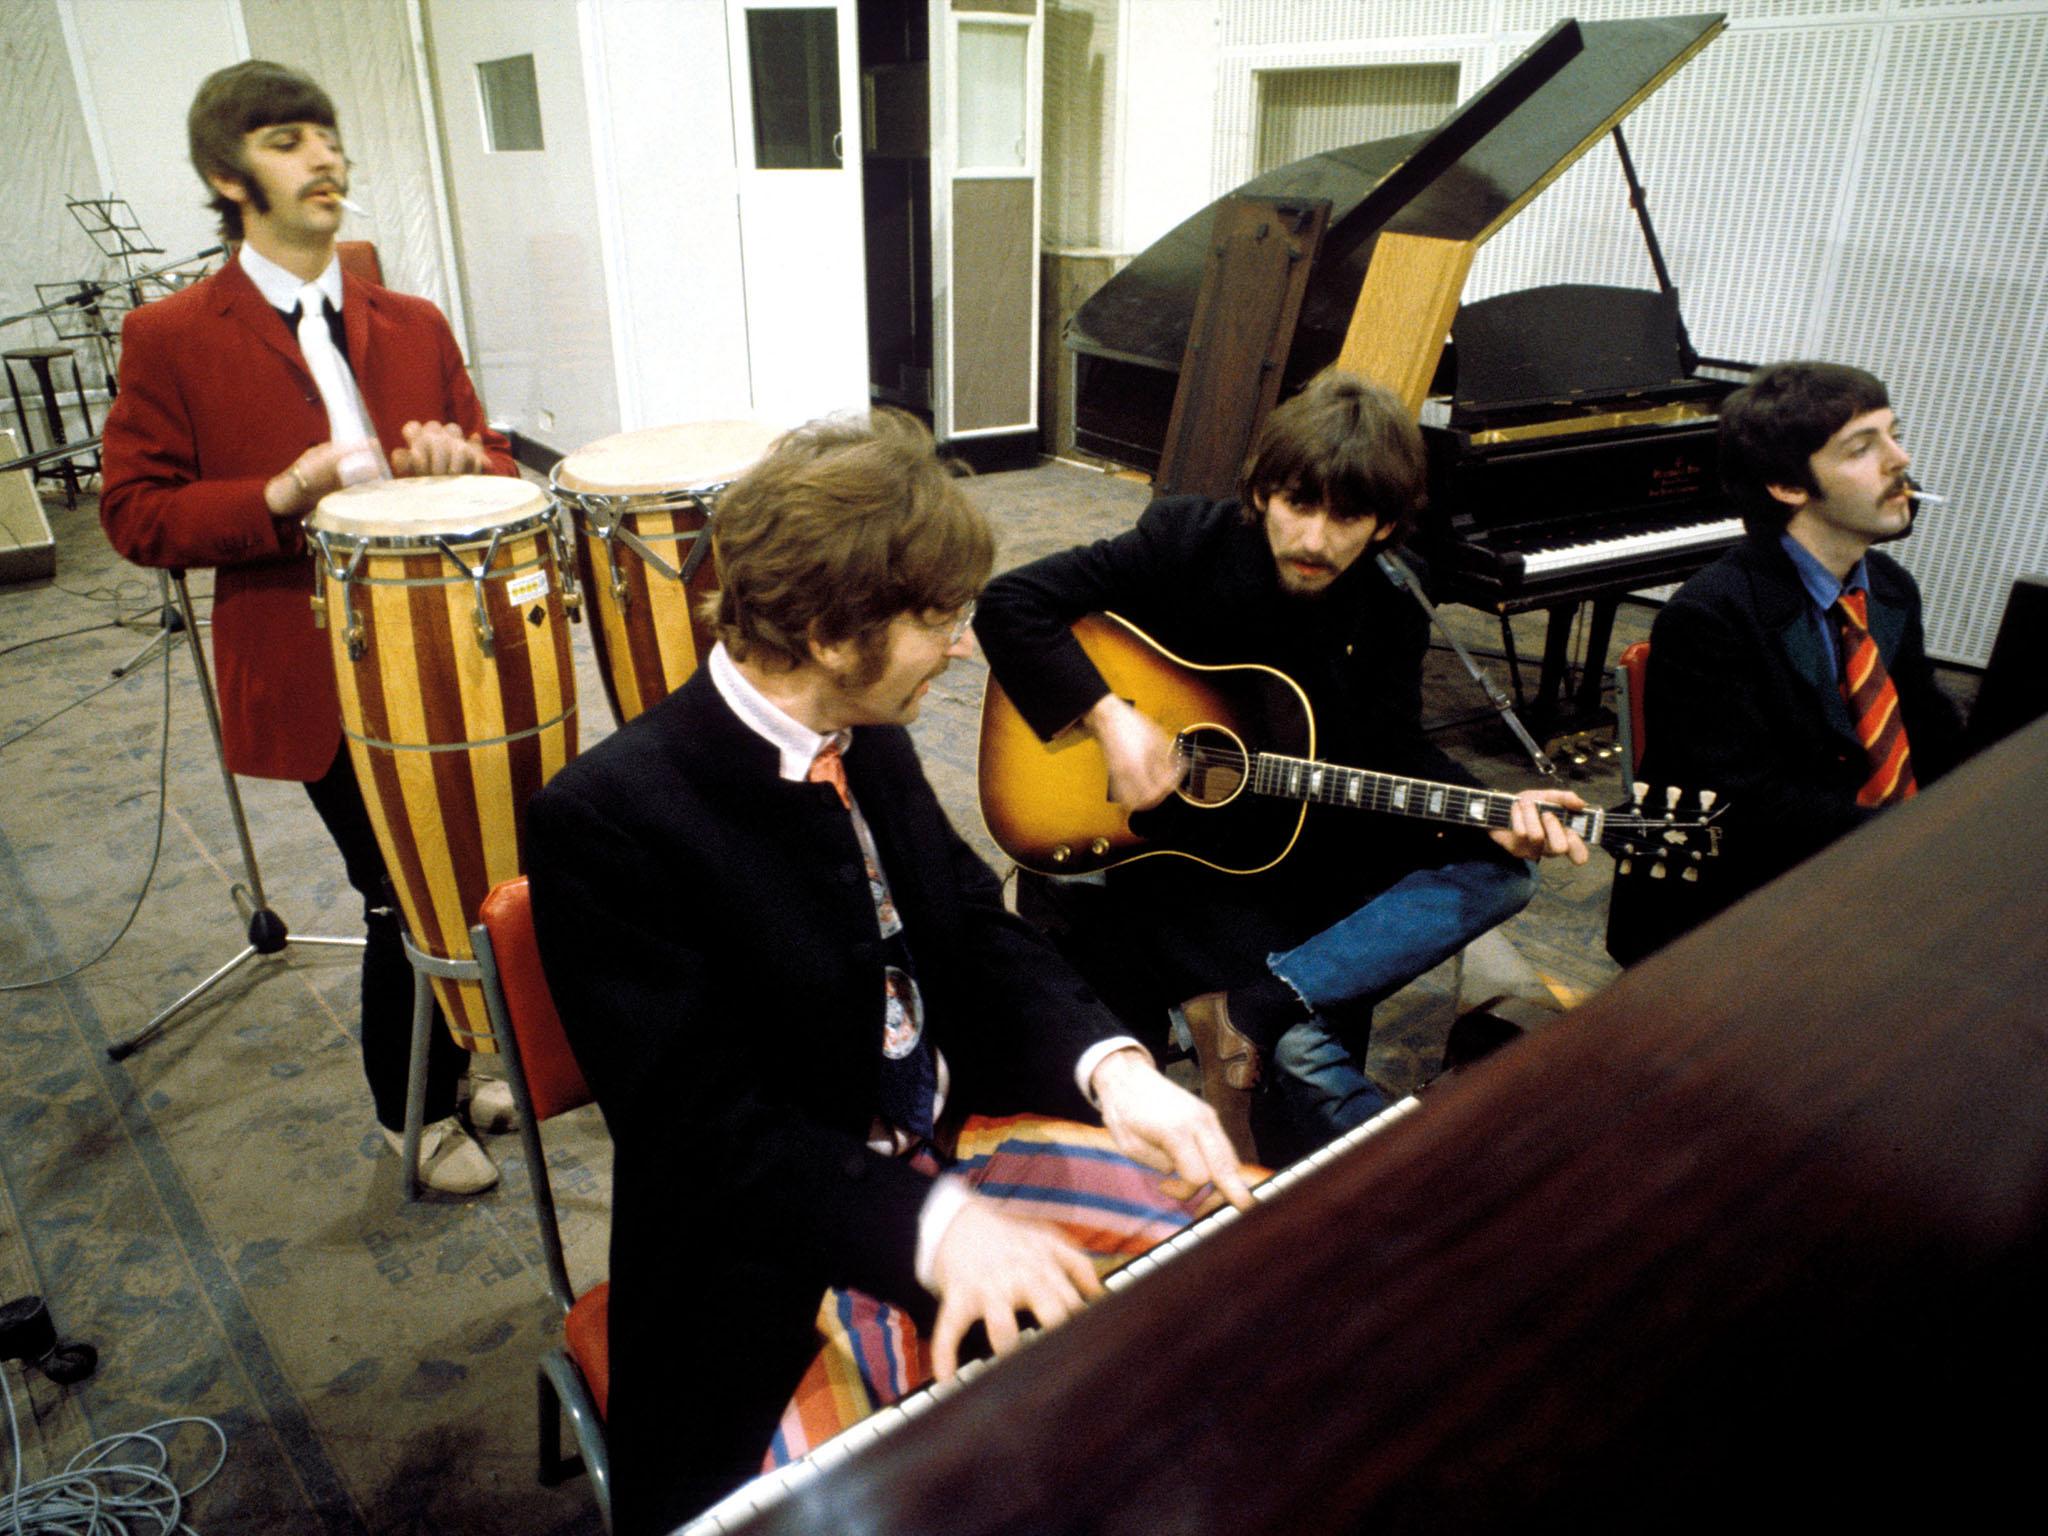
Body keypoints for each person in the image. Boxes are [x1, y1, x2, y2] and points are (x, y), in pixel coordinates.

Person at [524, 410, 1251, 1533]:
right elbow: (708, 1135)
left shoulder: (871, 727)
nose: (964, 645)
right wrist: (938, 1229)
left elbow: (971, 927)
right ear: (824, 630)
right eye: (939, 619)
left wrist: (1116, 1073)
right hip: (773, 1261)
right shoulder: (607, 820)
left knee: (1218, 1302)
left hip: (959, 1151)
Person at [975, 372, 1588, 1165]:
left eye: (1349, 516)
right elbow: (1009, 605)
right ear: (1262, 492)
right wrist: (1110, 717)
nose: (1316, 540)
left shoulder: (1395, 596)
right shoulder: (1185, 541)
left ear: (1386, 524)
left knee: (1504, 870)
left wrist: (1495, 808)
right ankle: (1320, 1078)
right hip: (1181, 855)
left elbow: (1393, 745)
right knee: (1302, 1042)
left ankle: (1265, 1006)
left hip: (1306, 837)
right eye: (1299, 504)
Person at [99, 61, 518, 1193]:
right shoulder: (171, 335)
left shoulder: (412, 319)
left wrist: (457, 462)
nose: (323, 157)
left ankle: (464, 1057)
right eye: (289, 140)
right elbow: (133, 515)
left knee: (470, 870)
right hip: (310, 664)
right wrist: (276, 495)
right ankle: (412, 1116)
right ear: (225, 178)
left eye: (326, 135)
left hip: (444, 650)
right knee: (397, 886)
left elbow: (491, 457)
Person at [1621, 360, 1965, 953]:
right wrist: (1916, 846)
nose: (1900, 460)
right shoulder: (1711, 617)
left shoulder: (1888, 588)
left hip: (1862, 862)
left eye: (1895, 434)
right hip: (1751, 900)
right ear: (1787, 486)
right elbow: (1746, 806)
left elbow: (1927, 729)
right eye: (1862, 448)